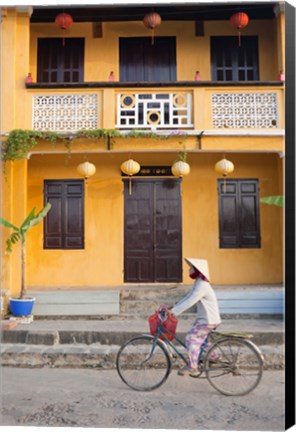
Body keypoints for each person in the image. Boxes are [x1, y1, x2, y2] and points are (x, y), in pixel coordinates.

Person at [167, 257, 221, 377]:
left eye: (191, 268)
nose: (188, 270)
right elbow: (188, 297)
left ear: (197, 270)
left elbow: (191, 301)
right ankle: (213, 356)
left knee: (191, 338)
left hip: (208, 320)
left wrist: (175, 312)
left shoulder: (202, 285)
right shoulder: (199, 283)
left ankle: (193, 367)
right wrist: (174, 307)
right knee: (199, 340)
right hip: (206, 319)